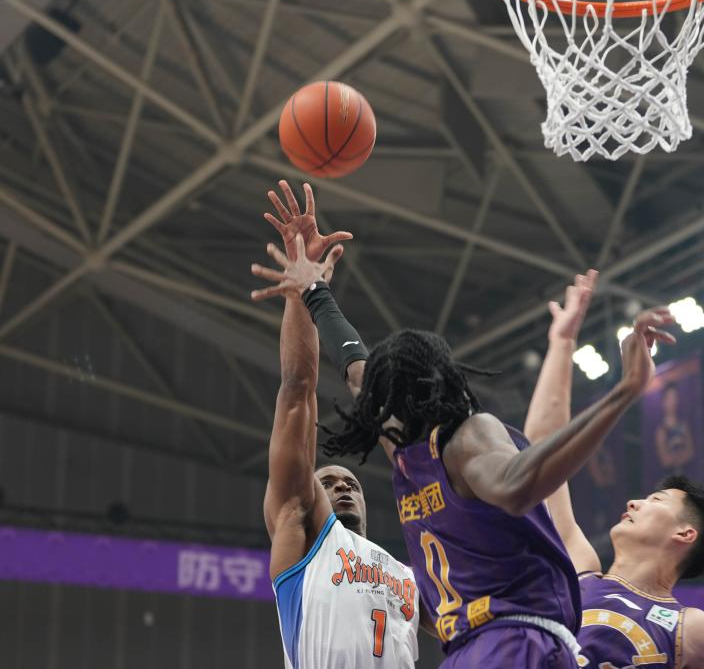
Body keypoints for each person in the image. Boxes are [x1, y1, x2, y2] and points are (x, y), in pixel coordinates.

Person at [253, 183, 677, 667]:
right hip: (516, 640)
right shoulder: (466, 436)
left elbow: (356, 372)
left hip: (470, 651)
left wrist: (315, 292)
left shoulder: (410, 462)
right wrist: (624, 391)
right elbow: (516, 484)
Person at [522, 290, 704, 669]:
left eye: (656, 500)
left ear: (685, 533)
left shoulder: (691, 629)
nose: (633, 502)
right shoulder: (579, 571)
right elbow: (540, 453)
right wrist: (562, 343)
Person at [250, 224, 419, 669]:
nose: (343, 486)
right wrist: (301, 294)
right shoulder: (301, 527)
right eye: (328, 482)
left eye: (351, 483)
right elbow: (297, 390)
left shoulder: (408, 576)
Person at [654, 385, 696, 471]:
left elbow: (690, 453)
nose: (673, 402)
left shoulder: (684, 426)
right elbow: (666, 461)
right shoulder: (661, 431)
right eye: (670, 398)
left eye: (675, 397)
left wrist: (675, 457)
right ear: (664, 402)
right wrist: (681, 455)